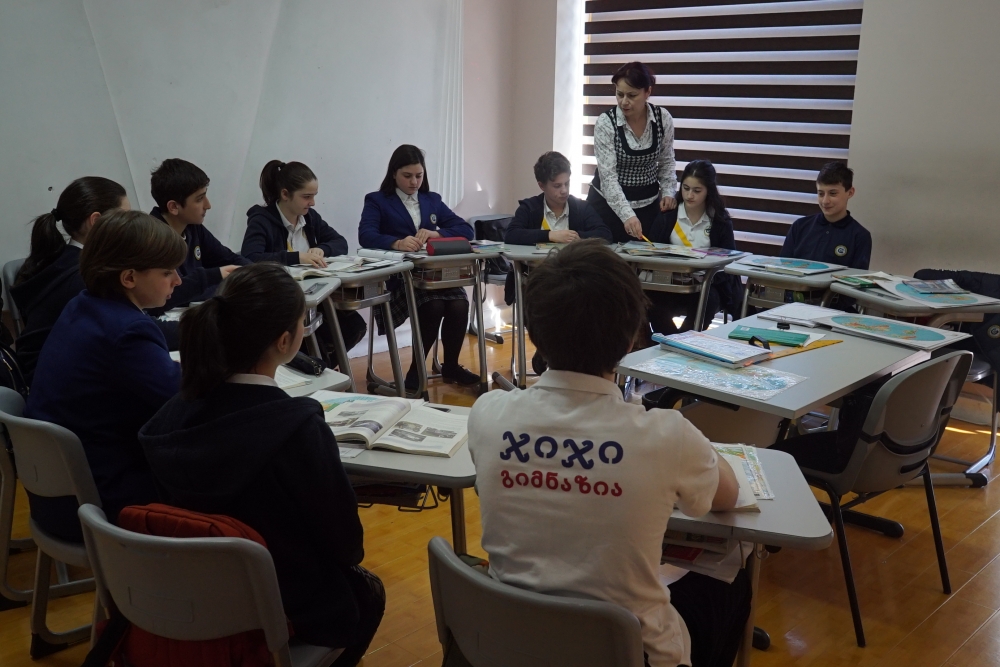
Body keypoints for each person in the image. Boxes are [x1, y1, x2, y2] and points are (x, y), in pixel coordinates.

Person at [468, 240, 751, 667]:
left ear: (534, 334)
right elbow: (727, 497)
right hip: (629, 652)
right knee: (731, 578)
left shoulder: (487, 414)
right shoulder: (667, 435)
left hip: (511, 642)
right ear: (632, 338)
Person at [139, 263, 383, 663]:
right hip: (281, 608)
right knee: (367, 593)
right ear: (286, 340)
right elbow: (347, 547)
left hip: (188, 597)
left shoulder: (168, 417)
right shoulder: (298, 429)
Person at [25, 210, 186, 541]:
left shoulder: (84, 305)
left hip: (57, 494)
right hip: (104, 501)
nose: (178, 281)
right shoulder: (127, 331)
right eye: (168, 272)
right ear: (129, 278)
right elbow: (185, 399)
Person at [358, 144, 479, 390]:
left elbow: (466, 230)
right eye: (407, 176)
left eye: (419, 176)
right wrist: (397, 243)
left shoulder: (431, 200)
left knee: (459, 304)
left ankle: (451, 366)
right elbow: (366, 235)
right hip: (401, 278)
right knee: (432, 306)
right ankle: (416, 372)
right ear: (394, 173)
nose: (414, 182)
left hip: (433, 274)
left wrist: (437, 234)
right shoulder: (377, 200)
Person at [10, 177, 130, 384]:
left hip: (49, 378)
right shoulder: (85, 276)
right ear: (96, 221)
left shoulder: (62, 260)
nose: (131, 226)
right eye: (125, 218)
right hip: (65, 384)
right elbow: (127, 331)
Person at [242, 159, 367, 352]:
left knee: (354, 327)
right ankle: (316, 365)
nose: (313, 202)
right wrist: (296, 257)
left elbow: (340, 242)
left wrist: (323, 249)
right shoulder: (261, 220)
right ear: (285, 194)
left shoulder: (310, 217)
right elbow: (250, 258)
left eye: (314, 196)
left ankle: (320, 366)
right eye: (307, 197)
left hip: (313, 297)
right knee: (314, 342)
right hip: (280, 302)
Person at [505, 150, 612, 373]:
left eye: (567, 183)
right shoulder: (529, 208)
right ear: (541, 185)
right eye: (557, 186)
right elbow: (512, 235)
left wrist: (577, 237)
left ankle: (554, 355)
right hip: (533, 280)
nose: (564, 190)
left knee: (583, 306)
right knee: (541, 306)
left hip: (573, 279)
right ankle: (548, 351)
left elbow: (605, 234)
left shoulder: (580, 207)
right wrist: (550, 235)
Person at [646, 160, 743, 335]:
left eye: (697, 191)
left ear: (708, 191)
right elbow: (651, 252)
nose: (690, 195)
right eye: (686, 188)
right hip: (670, 285)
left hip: (704, 287)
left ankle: (681, 342)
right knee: (649, 299)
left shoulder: (720, 220)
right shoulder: (668, 216)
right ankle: (674, 341)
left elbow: (729, 261)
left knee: (709, 300)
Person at [587, 61, 677, 243]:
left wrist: (668, 192)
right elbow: (608, 178)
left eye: (632, 95)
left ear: (647, 92)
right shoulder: (606, 123)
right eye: (619, 94)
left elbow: (667, 161)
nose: (624, 102)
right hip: (608, 206)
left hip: (648, 204)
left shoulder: (663, 119)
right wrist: (627, 215)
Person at [148, 158, 248, 315]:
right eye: (200, 199)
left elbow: (229, 259)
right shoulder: (151, 238)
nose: (208, 205)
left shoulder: (193, 227)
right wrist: (214, 278)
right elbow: (168, 296)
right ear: (174, 207)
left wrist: (261, 274)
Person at [780, 162, 871, 270]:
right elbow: (782, 270)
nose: (825, 201)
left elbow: (856, 278)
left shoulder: (860, 236)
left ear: (850, 193)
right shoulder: (799, 226)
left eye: (833, 193)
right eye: (821, 193)